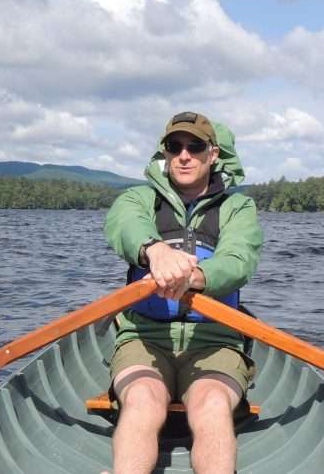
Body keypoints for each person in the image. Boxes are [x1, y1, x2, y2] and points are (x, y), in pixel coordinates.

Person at [103, 111, 263, 474]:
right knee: (143, 400)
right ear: (165, 153)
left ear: (213, 154)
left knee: (211, 404)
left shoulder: (238, 207)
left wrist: (196, 276)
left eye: (195, 146)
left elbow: (240, 259)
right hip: (143, 337)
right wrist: (156, 252)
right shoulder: (138, 198)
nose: (184, 155)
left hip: (214, 341)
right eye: (175, 147)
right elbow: (125, 226)